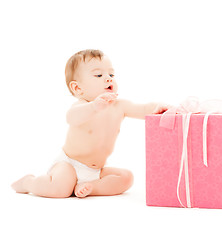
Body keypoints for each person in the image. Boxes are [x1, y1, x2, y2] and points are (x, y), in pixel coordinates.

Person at [11, 49, 170, 198]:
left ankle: (91, 187)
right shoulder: (82, 106)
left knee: (127, 178)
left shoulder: (120, 106)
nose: (108, 78)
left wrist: (158, 107)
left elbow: (142, 109)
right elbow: (71, 117)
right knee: (60, 188)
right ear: (78, 88)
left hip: (96, 170)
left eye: (111, 74)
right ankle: (29, 182)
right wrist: (94, 107)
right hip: (69, 164)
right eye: (99, 75)